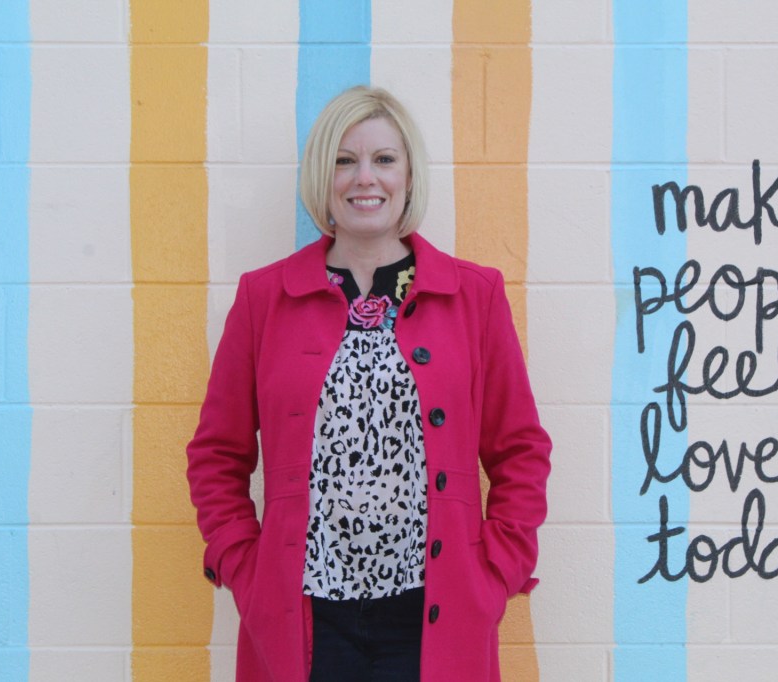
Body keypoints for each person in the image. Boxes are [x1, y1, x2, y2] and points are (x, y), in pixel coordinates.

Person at [186, 85, 551, 682]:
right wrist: (245, 570)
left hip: (434, 612)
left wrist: (497, 572)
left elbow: (521, 449)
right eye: (344, 160)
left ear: (408, 174)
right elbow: (215, 455)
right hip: (307, 616)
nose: (365, 178)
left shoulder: (474, 295)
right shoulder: (264, 298)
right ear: (321, 176)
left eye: (384, 159)